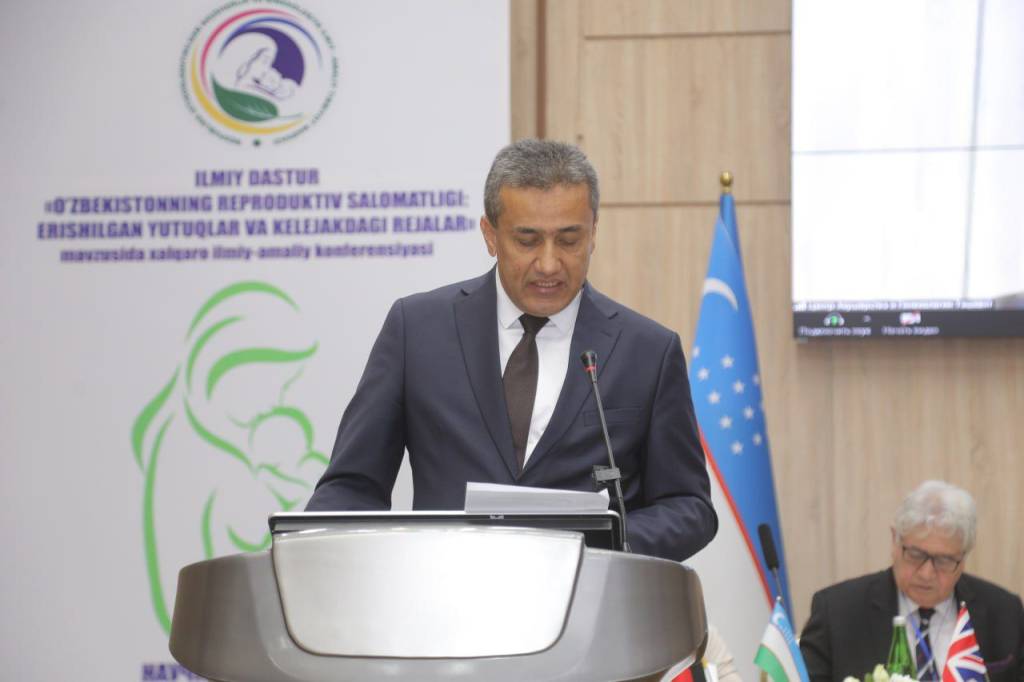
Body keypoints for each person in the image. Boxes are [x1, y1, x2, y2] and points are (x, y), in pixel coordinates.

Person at [305, 139, 717, 561]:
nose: (549, 264)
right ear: (490, 235)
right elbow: (351, 484)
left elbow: (689, 506)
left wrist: (609, 542)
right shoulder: (417, 330)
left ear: (593, 232)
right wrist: (310, 552)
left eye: (569, 240)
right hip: (442, 590)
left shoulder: (647, 351)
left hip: (591, 594)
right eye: (527, 240)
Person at [799, 480, 1024, 682]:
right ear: (894, 541)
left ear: (964, 557)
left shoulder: (1005, 613)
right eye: (915, 555)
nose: (926, 573)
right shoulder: (837, 613)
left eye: (944, 560)